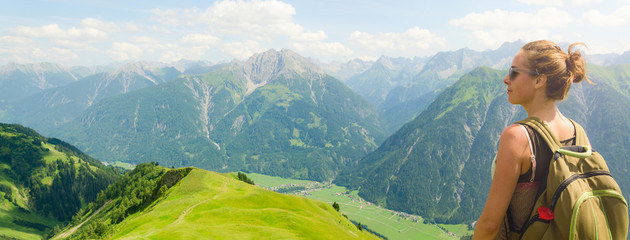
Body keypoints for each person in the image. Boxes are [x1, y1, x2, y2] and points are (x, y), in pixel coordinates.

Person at [473, 40, 592, 239]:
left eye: (513, 72)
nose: (505, 79)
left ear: (539, 81)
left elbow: (490, 225)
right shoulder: (579, 133)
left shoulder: (517, 137)